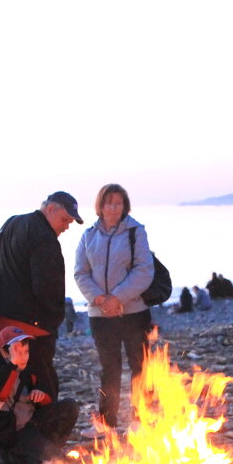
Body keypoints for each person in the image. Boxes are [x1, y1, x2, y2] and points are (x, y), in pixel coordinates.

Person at [0, 192, 83, 399]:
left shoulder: (11, 223)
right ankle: (37, 428)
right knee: (42, 384)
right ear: (50, 209)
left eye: (70, 222)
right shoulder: (44, 236)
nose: (66, 227)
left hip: (0, 320)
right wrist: (53, 321)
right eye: (64, 220)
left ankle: (3, 422)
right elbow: (47, 285)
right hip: (30, 325)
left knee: (6, 374)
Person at [73, 183, 155, 433]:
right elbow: (80, 273)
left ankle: (141, 421)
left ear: (124, 206)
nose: (114, 207)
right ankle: (106, 423)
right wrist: (100, 299)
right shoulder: (88, 235)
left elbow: (144, 270)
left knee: (141, 366)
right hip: (100, 315)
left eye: (118, 203)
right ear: (100, 205)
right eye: (109, 202)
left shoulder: (135, 232)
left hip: (133, 312)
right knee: (109, 369)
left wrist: (117, 298)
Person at [0, 326, 79, 464]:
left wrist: (42, 396)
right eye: (17, 352)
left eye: (25, 351)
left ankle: (48, 448)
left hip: (34, 423)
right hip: (14, 432)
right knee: (59, 463)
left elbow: (49, 396)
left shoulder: (32, 366)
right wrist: (12, 367)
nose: (22, 356)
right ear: (4, 352)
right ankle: (25, 457)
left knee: (70, 407)